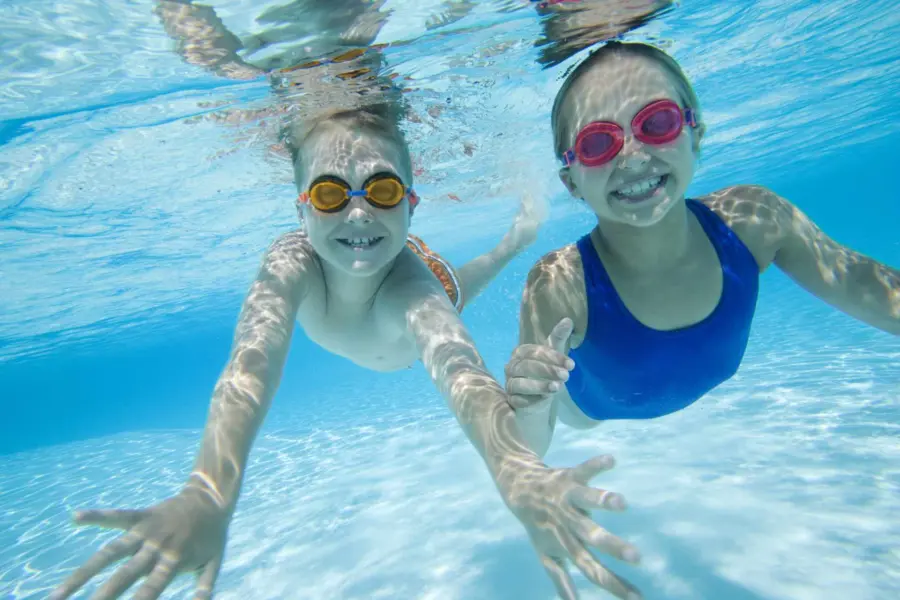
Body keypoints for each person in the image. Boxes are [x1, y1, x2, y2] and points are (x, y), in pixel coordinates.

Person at [49, 102, 643, 600]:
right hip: (397, 283)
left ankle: (517, 238)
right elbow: (248, 367)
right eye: (332, 194)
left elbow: (462, 371)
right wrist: (209, 491)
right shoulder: (290, 265)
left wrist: (515, 470)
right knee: (457, 287)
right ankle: (513, 236)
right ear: (301, 207)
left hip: (416, 279)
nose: (358, 211)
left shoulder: (417, 297)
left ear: (412, 203)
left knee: (463, 284)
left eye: (382, 189)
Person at [505, 39, 899, 496]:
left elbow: (859, 280)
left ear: (696, 134)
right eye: (598, 143)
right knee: (568, 415)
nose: (632, 156)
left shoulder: (754, 220)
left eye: (656, 123)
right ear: (571, 181)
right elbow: (529, 444)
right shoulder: (559, 284)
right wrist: (531, 409)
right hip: (590, 411)